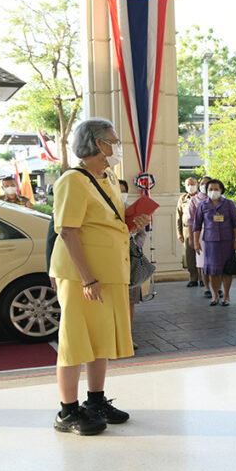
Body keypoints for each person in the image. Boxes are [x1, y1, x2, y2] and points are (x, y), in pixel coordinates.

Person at [48, 118, 149, 436]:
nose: (116, 146)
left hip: (110, 272)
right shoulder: (73, 180)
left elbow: (107, 224)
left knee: (101, 338)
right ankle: (67, 412)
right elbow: (68, 230)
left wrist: (135, 223)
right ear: (95, 143)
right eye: (112, 140)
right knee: (75, 340)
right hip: (82, 276)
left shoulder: (106, 177)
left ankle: (95, 400)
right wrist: (88, 278)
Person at [193, 179, 236, 306]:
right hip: (210, 242)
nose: (213, 192)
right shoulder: (202, 205)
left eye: (216, 189)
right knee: (213, 271)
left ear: (221, 190)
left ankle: (226, 296)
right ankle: (215, 295)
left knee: (227, 270)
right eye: (210, 189)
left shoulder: (229, 204)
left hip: (227, 241)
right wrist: (196, 242)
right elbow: (196, 226)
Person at [119, 179, 148, 350]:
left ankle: (127, 336)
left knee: (130, 300)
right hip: (111, 261)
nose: (121, 193)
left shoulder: (132, 210)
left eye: (124, 190)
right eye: (118, 190)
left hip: (129, 259)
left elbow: (142, 234)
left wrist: (134, 246)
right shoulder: (104, 210)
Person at [188, 176, 214, 296]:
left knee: (216, 262)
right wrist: (192, 239)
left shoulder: (219, 199)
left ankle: (217, 287)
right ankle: (207, 287)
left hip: (217, 235)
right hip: (201, 234)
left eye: (207, 183)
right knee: (203, 263)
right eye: (202, 183)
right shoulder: (195, 200)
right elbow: (190, 221)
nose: (204, 185)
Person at [177, 177, 202, 287]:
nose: (190, 186)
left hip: (200, 229)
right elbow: (178, 217)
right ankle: (193, 278)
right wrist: (179, 233)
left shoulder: (202, 197)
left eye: (193, 184)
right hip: (187, 229)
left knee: (200, 253)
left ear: (197, 185)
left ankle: (203, 278)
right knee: (190, 255)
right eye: (188, 184)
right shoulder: (183, 199)